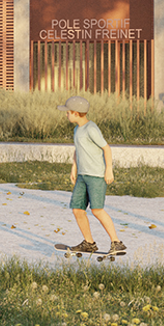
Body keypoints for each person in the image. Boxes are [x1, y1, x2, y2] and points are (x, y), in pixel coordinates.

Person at [59, 95, 126, 257]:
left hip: (96, 175)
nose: (66, 114)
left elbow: (106, 148)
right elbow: (78, 149)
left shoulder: (91, 129)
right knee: (77, 209)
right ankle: (89, 243)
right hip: (82, 175)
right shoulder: (77, 129)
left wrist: (109, 169)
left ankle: (116, 242)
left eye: (68, 112)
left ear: (76, 113)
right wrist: (74, 167)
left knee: (97, 210)